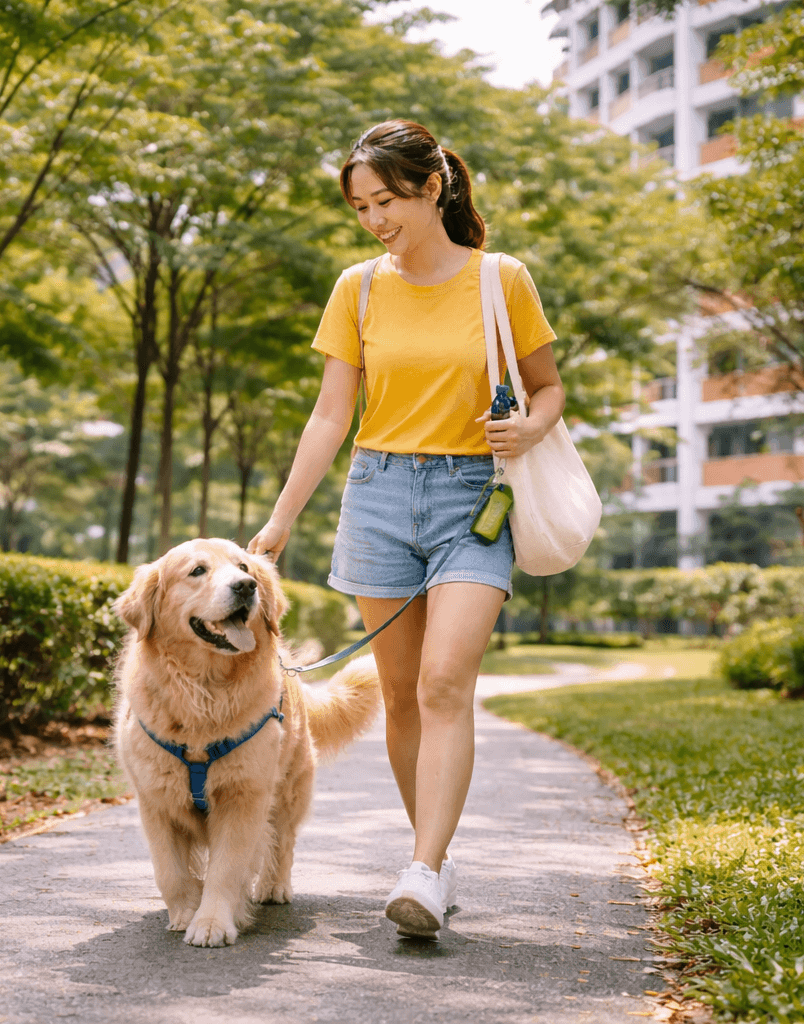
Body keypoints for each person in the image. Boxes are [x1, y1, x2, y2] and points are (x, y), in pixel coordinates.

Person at [247, 119, 565, 939]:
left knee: (443, 681)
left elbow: (548, 389)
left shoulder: (501, 279)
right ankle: (436, 857)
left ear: (433, 187)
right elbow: (329, 415)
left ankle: (422, 870)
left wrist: (529, 429)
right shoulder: (357, 288)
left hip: (471, 497)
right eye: (360, 206)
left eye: (386, 199)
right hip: (379, 491)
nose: (374, 218)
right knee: (398, 696)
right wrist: (282, 519)